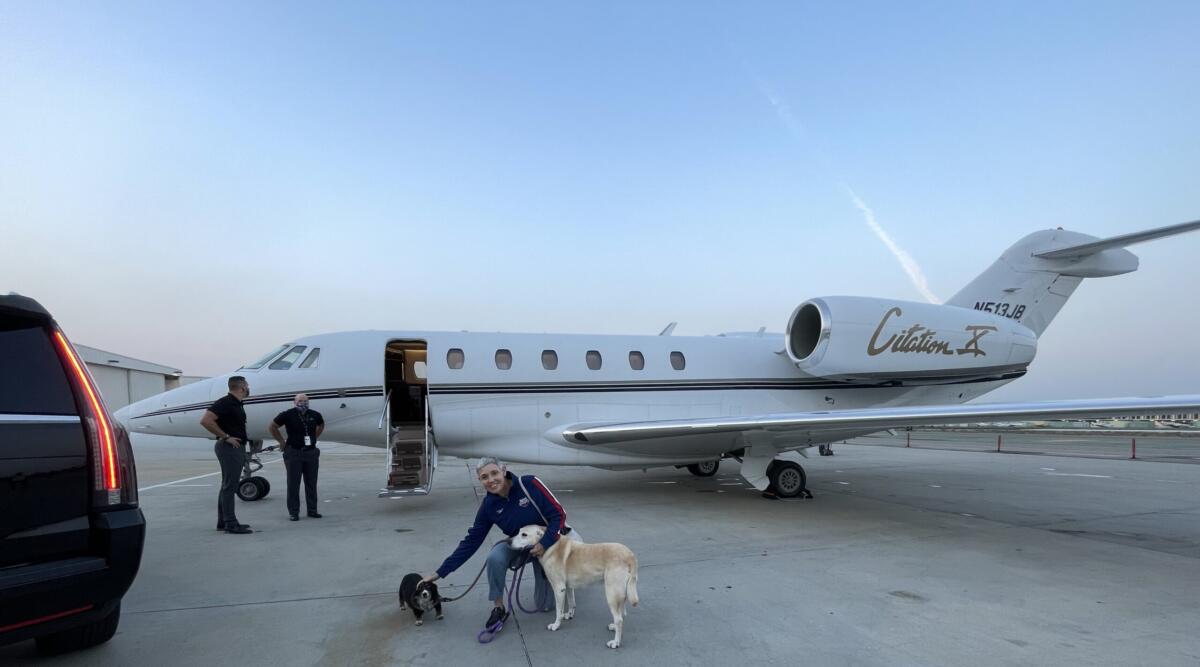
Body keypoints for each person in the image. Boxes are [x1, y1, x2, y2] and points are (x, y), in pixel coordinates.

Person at [422, 457, 566, 631]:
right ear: (480, 480)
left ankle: (566, 575)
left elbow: (559, 514)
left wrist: (545, 543)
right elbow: (471, 541)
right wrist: (440, 572)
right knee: (495, 557)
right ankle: (498, 607)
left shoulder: (529, 484)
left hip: (548, 543)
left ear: (503, 471)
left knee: (545, 605)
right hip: (519, 545)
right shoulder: (489, 506)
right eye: (484, 477)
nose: (491, 480)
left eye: (494, 473)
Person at [199, 376, 253, 534]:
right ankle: (231, 523)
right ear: (242, 387)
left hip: (234, 448)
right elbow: (206, 421)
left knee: (227, 485)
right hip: (230, 448)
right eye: (247, 385)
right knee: (230, 486)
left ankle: (223, 521)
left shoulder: (236, 403)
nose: (248, 388)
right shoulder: (226, 402)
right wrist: (226, 437)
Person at [269, 393, 325, 521]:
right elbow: (272, 426)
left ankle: (312, 510)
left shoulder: (315, 414)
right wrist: (281, 442)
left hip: (311, 453)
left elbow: (321, 425)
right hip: (294, 452)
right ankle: (294, 512)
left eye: (305, 401)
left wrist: (314, 437)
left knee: (311, 483)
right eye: (300, 401)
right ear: (294, 402)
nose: (303, 403)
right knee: (293, 484)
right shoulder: (287, 414)